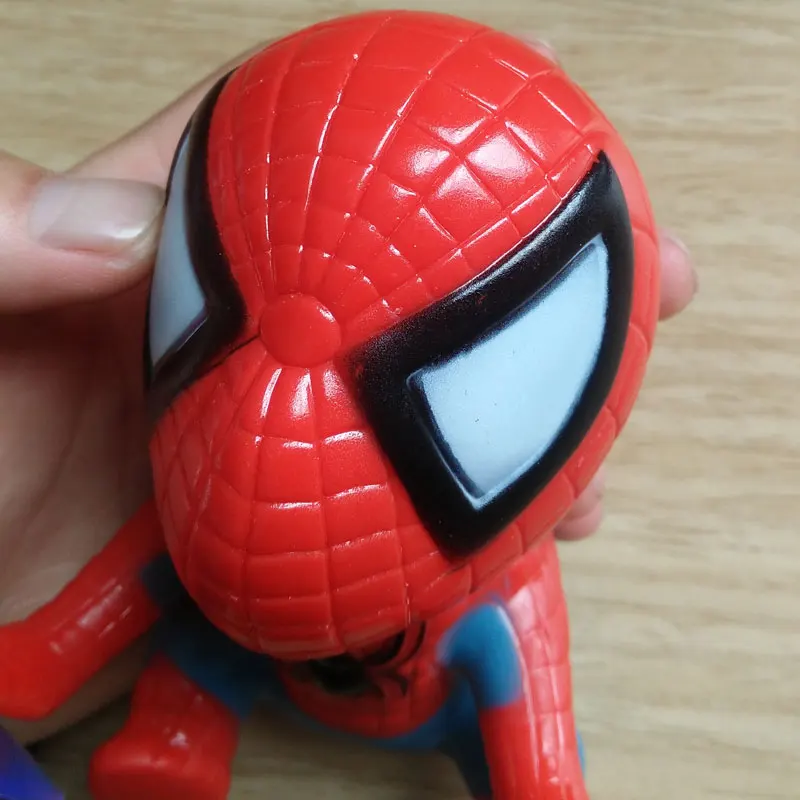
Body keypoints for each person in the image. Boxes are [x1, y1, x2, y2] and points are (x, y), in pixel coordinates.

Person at [0, 36, 697, 746]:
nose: (280, 421)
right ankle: (180, 729)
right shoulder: (202, 492)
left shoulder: (504, 589)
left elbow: (536, 708)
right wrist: (45, 659)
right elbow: (80, 627)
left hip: (430, 686)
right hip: (254, 657)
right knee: (199, 644)